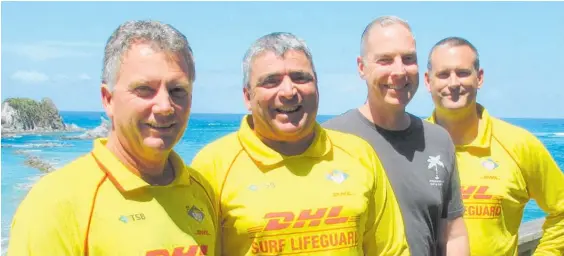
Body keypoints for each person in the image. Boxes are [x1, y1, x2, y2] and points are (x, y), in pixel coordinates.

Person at [8, 20, 218, 256]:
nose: (165, 106)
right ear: (108, 99)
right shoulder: (55, 203)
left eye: (177, 90)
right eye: (144, 89)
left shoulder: (201, 191)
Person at [191, 32, 409, 255]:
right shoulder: (214, 166)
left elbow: (391, 250)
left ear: (317, 87)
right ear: (248, 97)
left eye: (300, 77)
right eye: (271, 81)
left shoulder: (359, 154)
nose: (288, 91)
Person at [323, 16, 469, 256]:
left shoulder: (438, 141)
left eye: (408, 59)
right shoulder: (331, 139)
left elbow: (453, 233)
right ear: (362, 67)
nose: (400, 71)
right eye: (385, 60)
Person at [424, 36, 564, 255]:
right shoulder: (411, 146)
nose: (453, 83)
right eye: (443, 74)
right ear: (428, 81)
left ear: (479, 78)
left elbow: (561, 210)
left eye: (462, 73)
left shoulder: (518, 144)